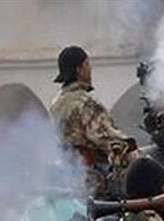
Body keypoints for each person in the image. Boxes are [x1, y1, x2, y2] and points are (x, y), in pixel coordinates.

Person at [50, 46, 138, 200]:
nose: (90, 69)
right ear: (79, 69)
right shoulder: (86, 103)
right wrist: (133, 152)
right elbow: (108, 139)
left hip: (69, 174)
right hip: (94, 179)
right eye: (87, 64)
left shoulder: (56, 103)